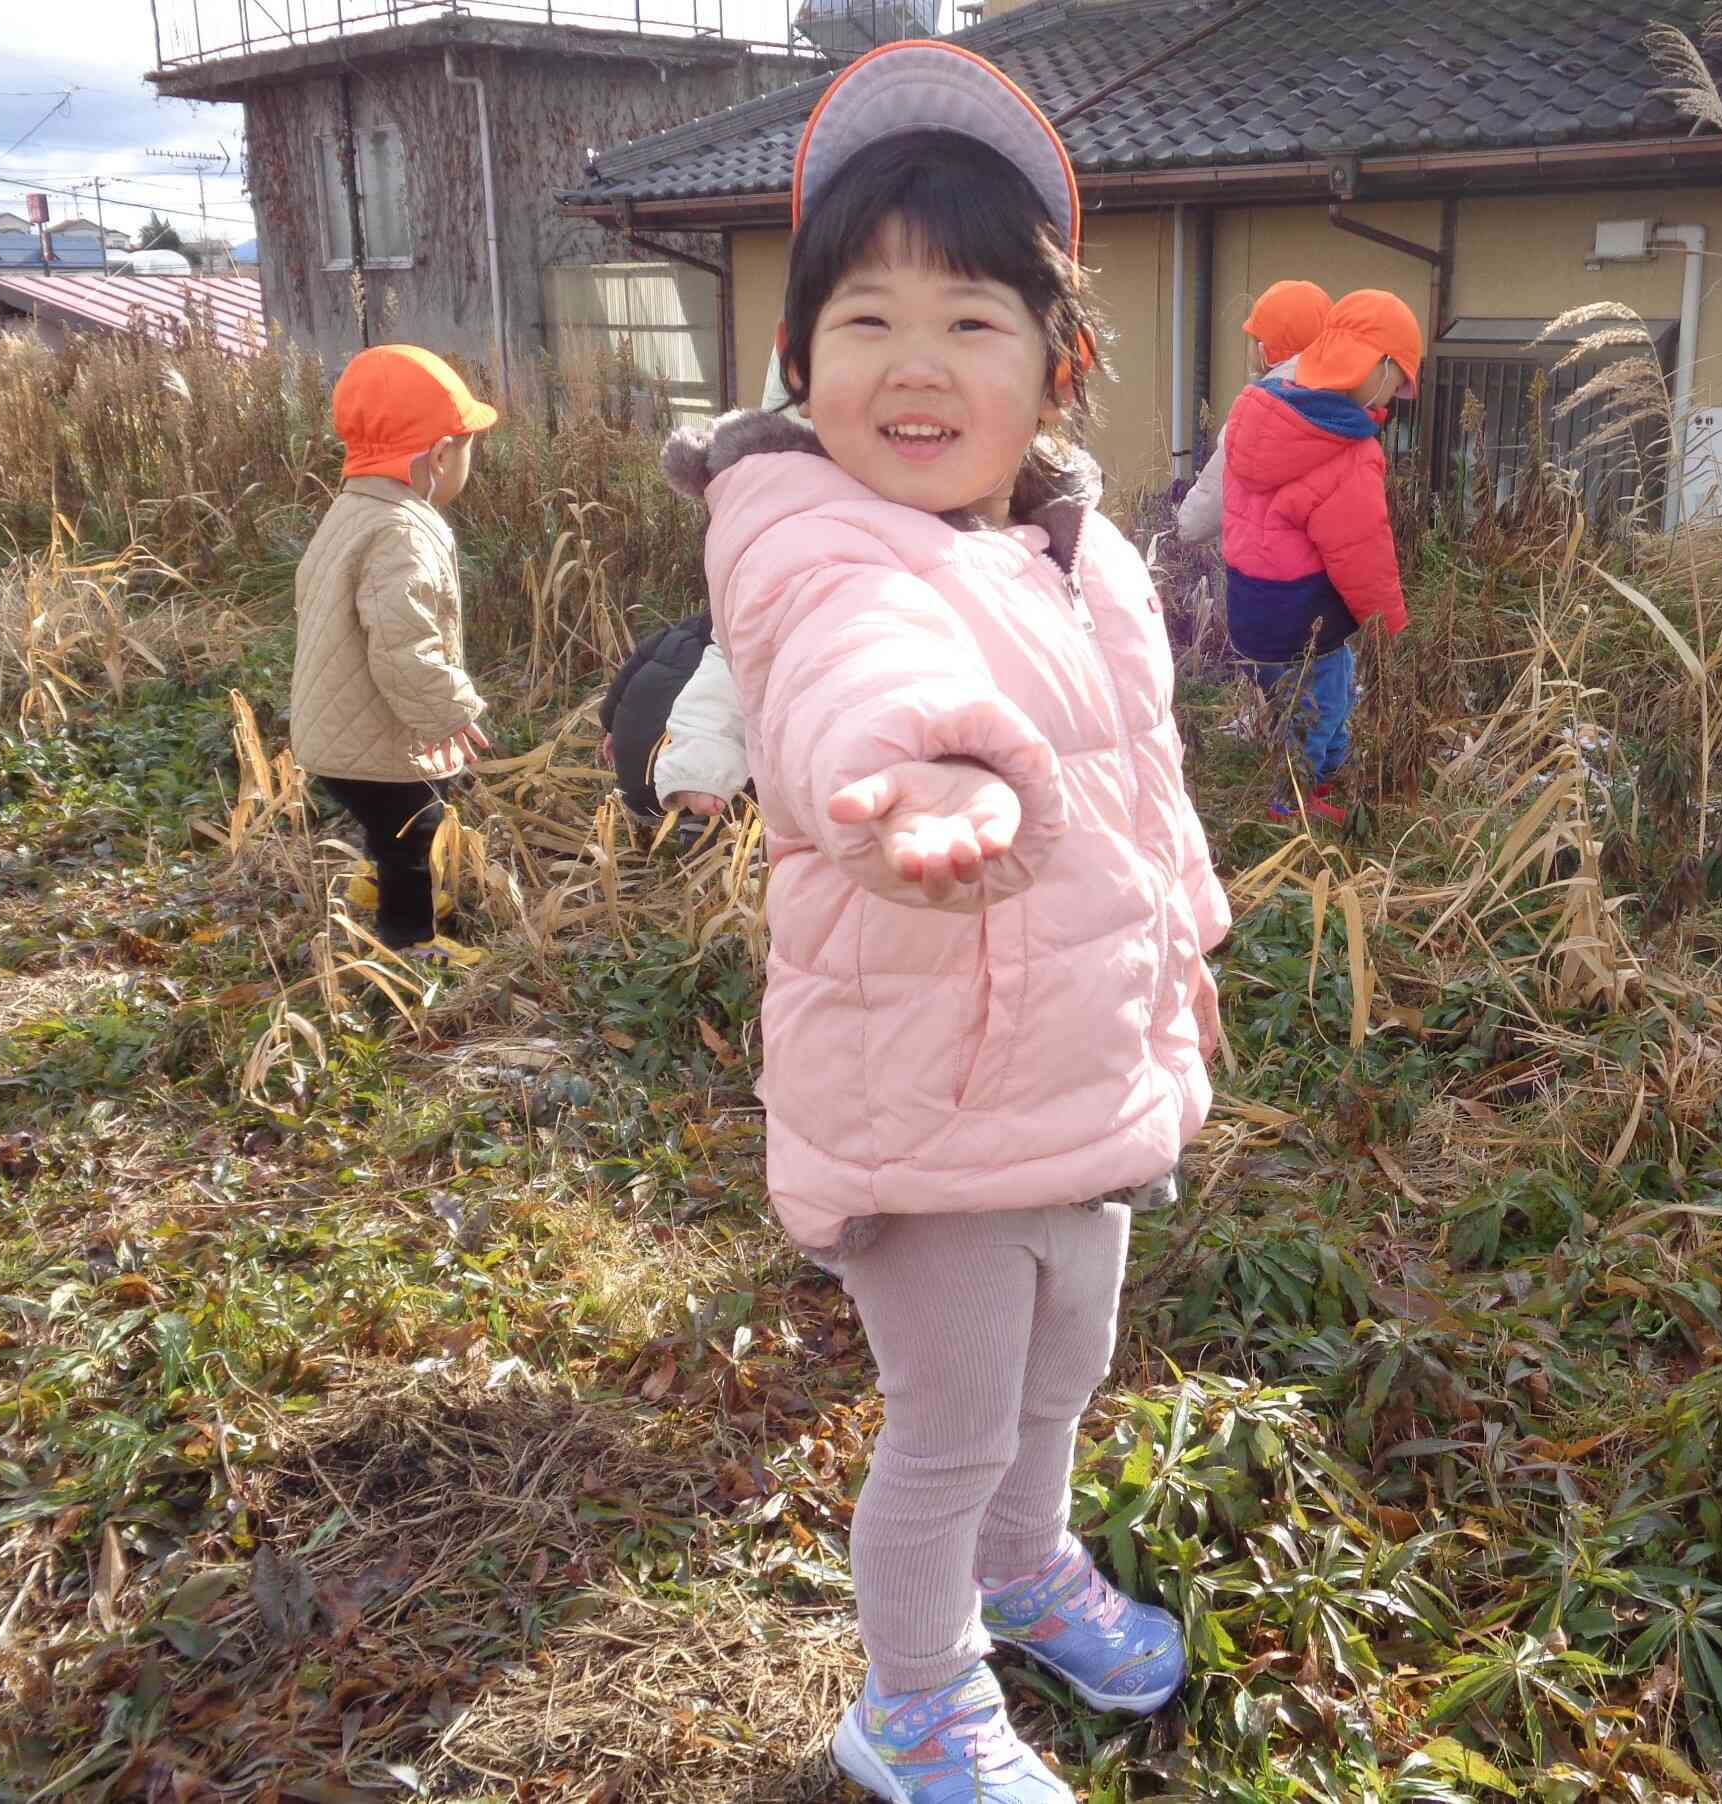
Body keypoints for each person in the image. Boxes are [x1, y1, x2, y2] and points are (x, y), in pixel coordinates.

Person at [660, 40, 1229, 1804]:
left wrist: (1182, 955)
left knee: (1066, 1369)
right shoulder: (805, 530)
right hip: (923, 1098)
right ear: (798, 362)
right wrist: (911, 776)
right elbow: (851, 670)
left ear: (1054, 364)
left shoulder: (1084, 551)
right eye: (866, 320)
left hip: (1076, 1065)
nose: (915, 363)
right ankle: (909, 1699)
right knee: (951, 1422)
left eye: (970, 318)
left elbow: (1143, 780)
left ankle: (1022, 1561)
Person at [291, 345, 496, 968]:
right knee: (415, 827)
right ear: (438, 456)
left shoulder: (352, 510)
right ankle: (411, 942)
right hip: (374, 739)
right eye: (464, 447)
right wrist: (451, 710)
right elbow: (403, 647)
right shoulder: (404, 531)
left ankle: (375, 879)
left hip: (333, 729)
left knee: (393, 819)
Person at [1218, 288, 1419, 825]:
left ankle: (1314, 780)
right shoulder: (1346, 450)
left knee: (1303, 697)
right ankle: (1292, 808)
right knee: (1320, 709)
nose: (1395, 396)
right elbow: (1362, 556)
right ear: (1377, 366)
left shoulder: (1257, 410)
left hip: (1249, 606)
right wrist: (1388, 624)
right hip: (1304, 614)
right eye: (1398, 380)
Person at [1173, 278, 1331, 547]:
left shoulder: (1255, 412)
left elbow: (1212, 498)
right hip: (1321, 574)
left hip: (1261, 574)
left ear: (1263, 351)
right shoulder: (1341, 405)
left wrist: (1180, 527)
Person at [595, 613, 748, 822]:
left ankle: (657, 828)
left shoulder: (672, 637)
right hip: (684, 792)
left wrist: (610, 727)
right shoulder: (730, 663)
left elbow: (624, 678)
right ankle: (695, 829)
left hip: (629, 788)